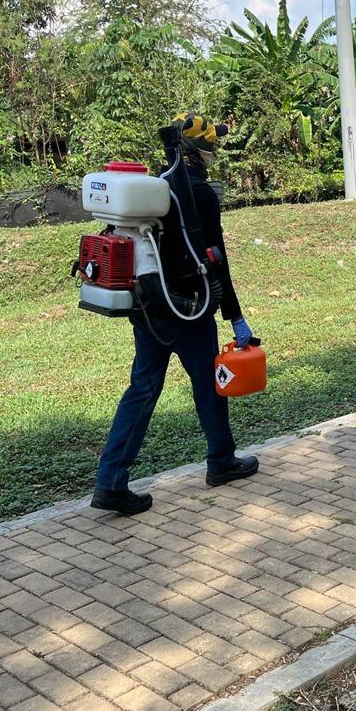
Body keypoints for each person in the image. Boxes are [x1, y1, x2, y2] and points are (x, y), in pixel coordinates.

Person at [91, 114, 260, 516]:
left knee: (143, 388)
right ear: (202, 150)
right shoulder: (198, 193)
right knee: (207, 382)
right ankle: (221, 460)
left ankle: (111, 479)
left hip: (150, 303)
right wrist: (235, 316)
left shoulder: (156, 189)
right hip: (188, 305)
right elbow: (215, 259)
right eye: (212, 144)